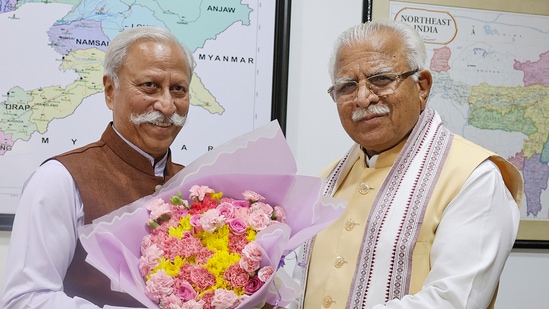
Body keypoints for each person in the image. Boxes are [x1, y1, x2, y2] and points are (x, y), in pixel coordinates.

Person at [290, 20, 524, 309]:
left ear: (422, 86)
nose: (363, 98)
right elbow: (301, 291)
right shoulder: (326, 180)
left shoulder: (474, 177)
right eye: (347, 86)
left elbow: (452, 301)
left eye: (381, 79)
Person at [1, 26, 194, 308]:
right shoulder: (59, 179)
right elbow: (25, 299)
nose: (167, 105)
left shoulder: (196, 186)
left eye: (178, 89)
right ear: (110, 91)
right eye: (149, 86)